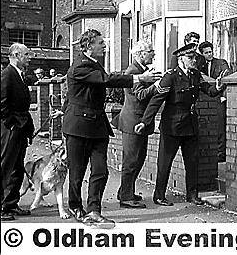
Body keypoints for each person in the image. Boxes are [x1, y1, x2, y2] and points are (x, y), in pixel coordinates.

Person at [62, 29, 160, 228]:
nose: (104, 45)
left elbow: (106, 78)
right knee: (77, 172)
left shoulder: (95, 64)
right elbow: (107, 80)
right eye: (100, 43)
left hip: (97, 126)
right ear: (89, 46)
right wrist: (139, 78)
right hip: (78, 127)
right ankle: (75, 206)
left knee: (100, 171)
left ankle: (94, 211)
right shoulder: (80, 66)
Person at [135, 43, 224, 206]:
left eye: (195, 58)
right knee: (165, 162)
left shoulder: (196, 75)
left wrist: (217, 87)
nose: (194, 61)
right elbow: (156, 101)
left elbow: (208, 91)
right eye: (190, 58)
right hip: (172, 126)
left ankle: (192, 195)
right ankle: (159, 195)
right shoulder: (170, 76)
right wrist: (145, 121)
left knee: (192, 161)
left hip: (190, 125)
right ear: (181, 59)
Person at [116, 40, 158, 208]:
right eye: (151, 51)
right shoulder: (133, 71)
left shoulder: (141, 70)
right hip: (133, 122)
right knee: (131, 161)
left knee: (139, 159)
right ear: (141, 54)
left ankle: (125, 191)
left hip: (139, 121)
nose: (153, 54)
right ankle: (126, 197)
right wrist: (156, 85)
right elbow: (140, 95)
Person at [0, 43, 34, 221]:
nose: (29, 58)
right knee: (5, 166)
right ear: (16, 55)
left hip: (20, 128)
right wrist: (12, 124)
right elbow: (2, 104)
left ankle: (10, 204)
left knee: (17, 167)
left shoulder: (20, 75)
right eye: (26, 55)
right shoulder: (7, 75)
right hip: (10, 129)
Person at [198, 41, 231, 162]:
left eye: (211, 51)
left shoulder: (221, 63)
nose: (209, 54)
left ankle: (221, 154)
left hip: (219, 98)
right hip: (204, 101)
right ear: (202, 54)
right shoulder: (198, 64)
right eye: (206, 53)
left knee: (220, 127)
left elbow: (226, 76)